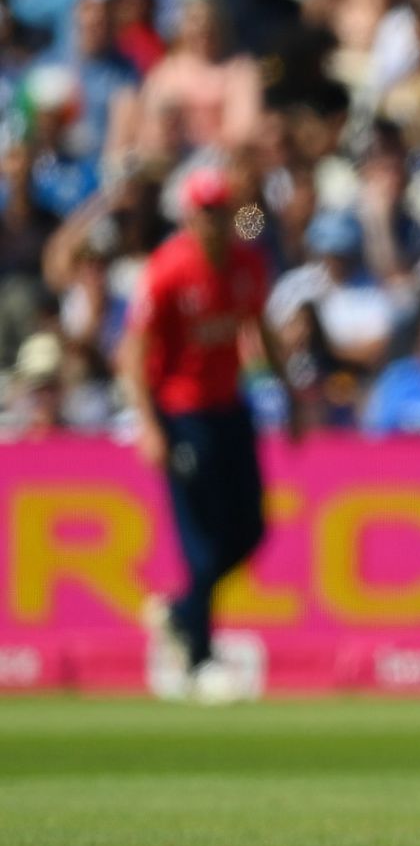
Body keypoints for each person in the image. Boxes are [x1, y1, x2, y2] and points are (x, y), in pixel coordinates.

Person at [118, 167, 302, 702]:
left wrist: (287, 394)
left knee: (250, 529)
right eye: (206, 212)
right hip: (182, 413)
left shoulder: (247, 262)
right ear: (190, 215)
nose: (216, 221)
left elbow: (259, 328)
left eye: (223, 210)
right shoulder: (169, 269)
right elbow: (133, 354)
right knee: (200, 542)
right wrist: (149, 425)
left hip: (230, 408)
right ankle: (198, 657)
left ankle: (179, 611)